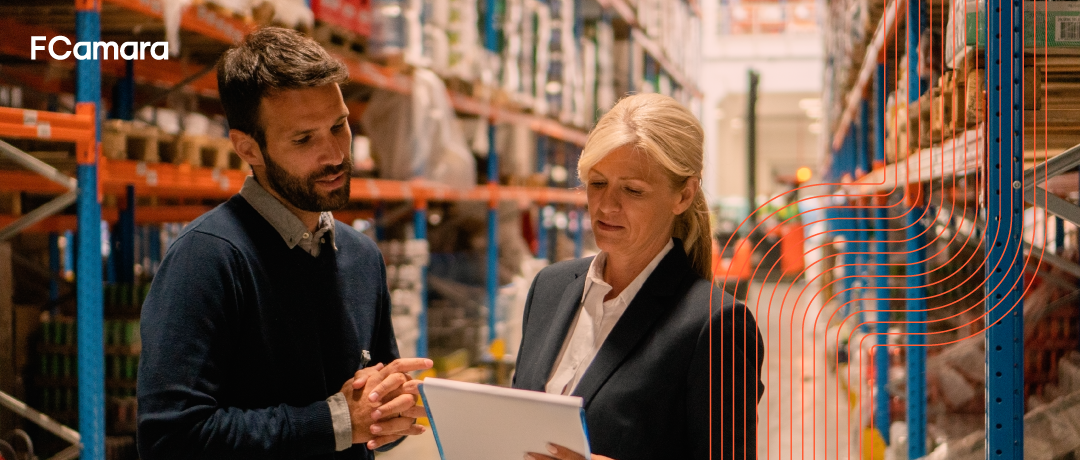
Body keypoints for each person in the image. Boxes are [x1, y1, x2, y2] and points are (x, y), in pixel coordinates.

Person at [137, 27, 430, 459]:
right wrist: (336, 422)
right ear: (248, 149)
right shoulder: (208, 259)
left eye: (339, 126)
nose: (333, 154)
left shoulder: (361, 257)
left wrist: (391, 413)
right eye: (303, 139)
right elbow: (170, 440)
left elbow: (369, 421)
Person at [513, 93, 765, 460]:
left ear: (683, 195)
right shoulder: (549, 289)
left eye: (632, 190)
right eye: (597, 184)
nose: (606, 205)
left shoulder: (714, 325)